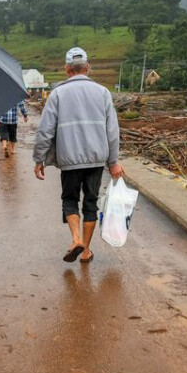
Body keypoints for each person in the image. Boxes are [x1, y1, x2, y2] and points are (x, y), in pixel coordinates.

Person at [33, 47, 123, 263]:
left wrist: (39, 158)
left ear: (66, 69)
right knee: (90, 203)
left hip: (69, 159)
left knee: (70, 199)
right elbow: (112, 130)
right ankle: (86, 251)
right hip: (96, 159)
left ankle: (75, 239)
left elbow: (45, 130)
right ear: (87, 68)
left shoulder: (57, 94)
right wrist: (113, 162)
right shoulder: (102, 93)